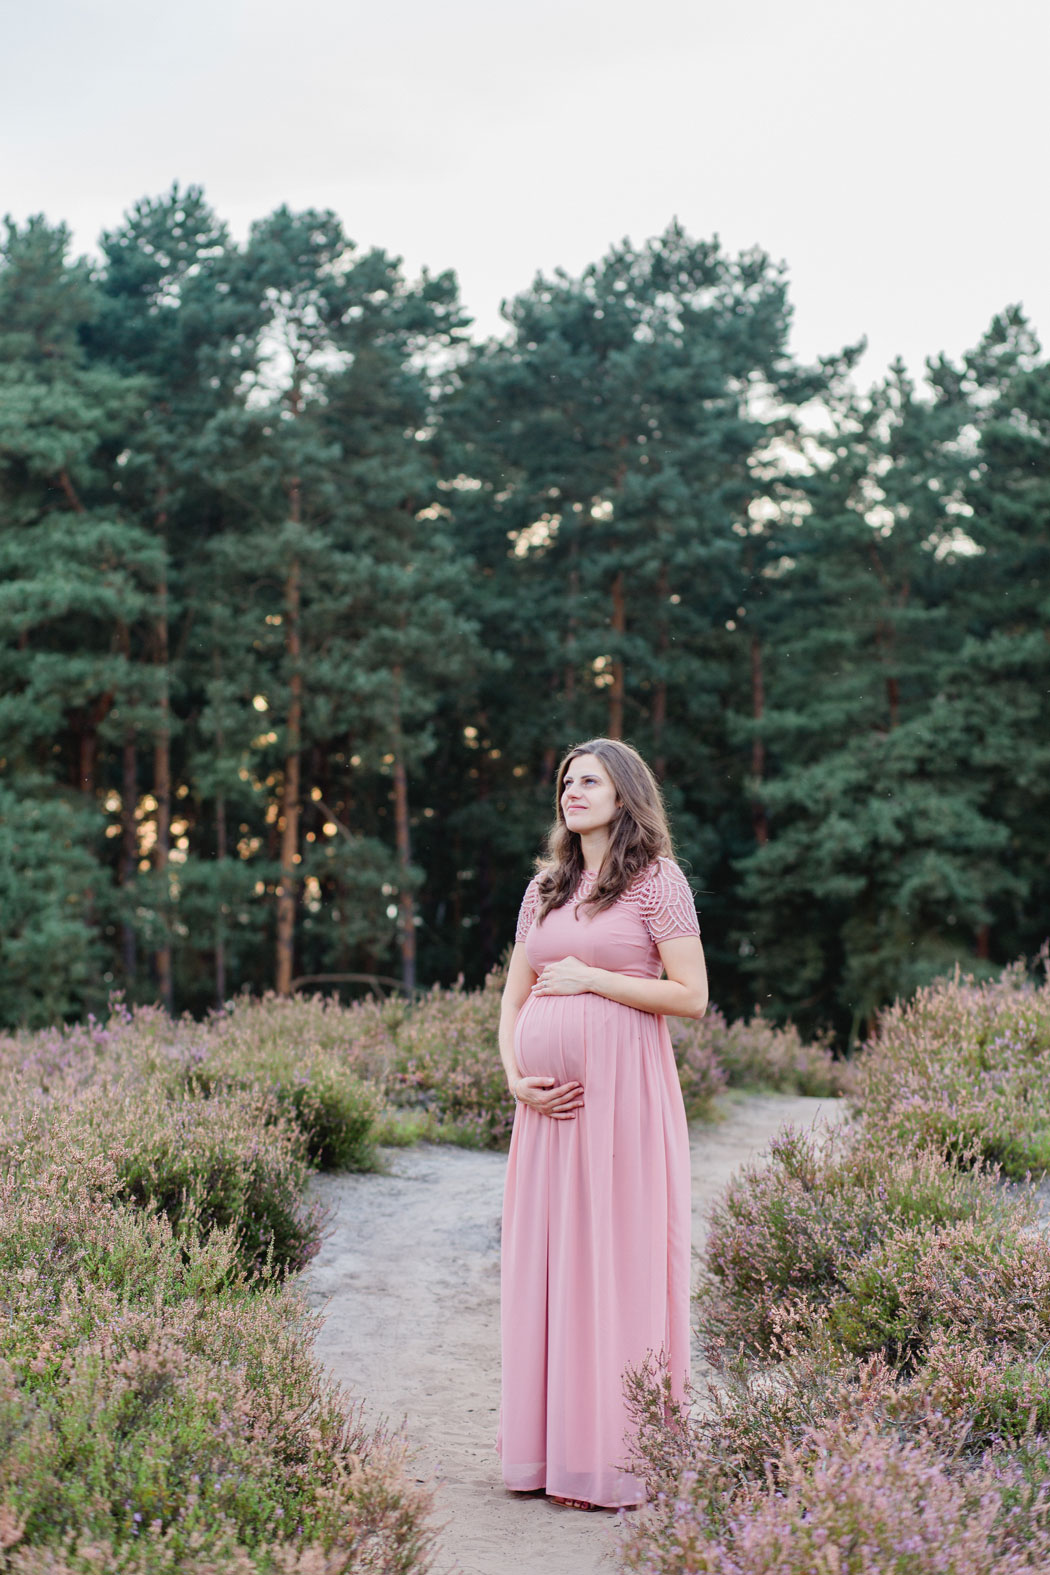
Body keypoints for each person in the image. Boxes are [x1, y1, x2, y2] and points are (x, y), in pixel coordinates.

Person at [496, 737, 709, 1512]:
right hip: (547, 1115)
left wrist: (595, 980)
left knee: (612, 1265)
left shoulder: (658, 882)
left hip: (624, 1103)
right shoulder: (545, 888)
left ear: (625, 793)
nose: (572, 790)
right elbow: (514, 998)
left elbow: (691, 995)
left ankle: (613, 1463)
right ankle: (542, 1456)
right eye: (565, 780)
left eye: (589, 779)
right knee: (550, 1268)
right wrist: (516, 1077)